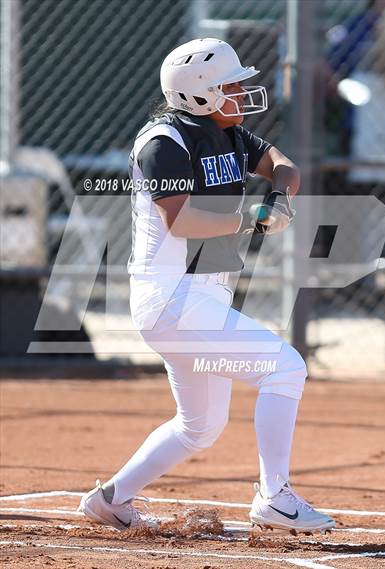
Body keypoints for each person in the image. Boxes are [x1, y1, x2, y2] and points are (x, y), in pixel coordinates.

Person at [78, 38, 335, 534]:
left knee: (200, 426)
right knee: (285, 369)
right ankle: (274, 496)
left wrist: (278, 196)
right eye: (230, 85)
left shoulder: (229, 131)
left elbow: (285, 166)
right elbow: (182, 220)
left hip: (201, 298)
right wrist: (254, 219)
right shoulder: (164, 142)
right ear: (198, 94)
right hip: (172, 299)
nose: (241, 92)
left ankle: (111, 499)